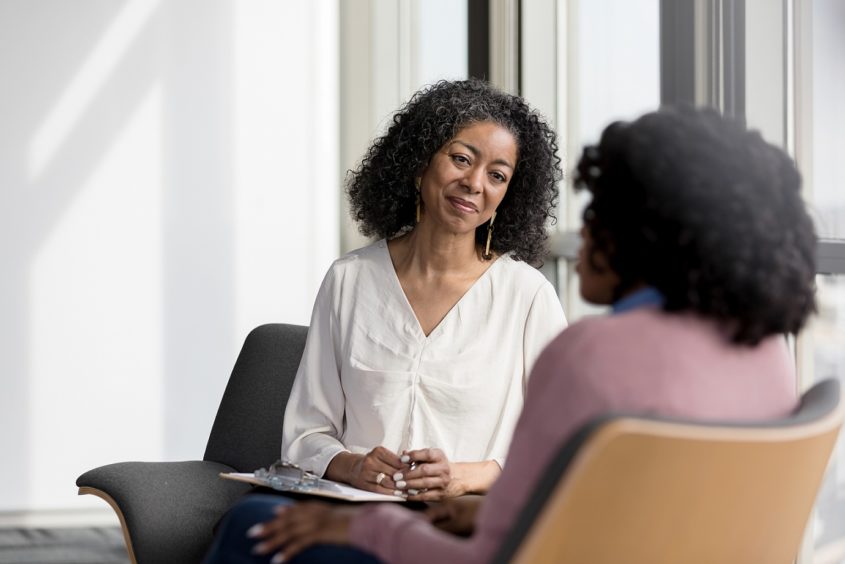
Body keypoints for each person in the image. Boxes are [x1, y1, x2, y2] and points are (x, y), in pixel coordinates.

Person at [205, 105, 817, 564]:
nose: (578, 241)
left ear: (649, 234)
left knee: (252, 525)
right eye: (462, 159)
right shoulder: (765, 355)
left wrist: (364, 528)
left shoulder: (586, 350)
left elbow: (504, 547)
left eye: (598, 215)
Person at [280, 78, 567, 503]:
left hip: (462, 519)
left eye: (497, 175)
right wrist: (353, 466)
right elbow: (306, 434)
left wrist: (465, 477)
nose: (474, 183)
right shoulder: (349, 280)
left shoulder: (527, 297)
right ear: (419, 164)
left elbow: (562, 443)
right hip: (350, 509)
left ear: (509, 194)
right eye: (460, 158)